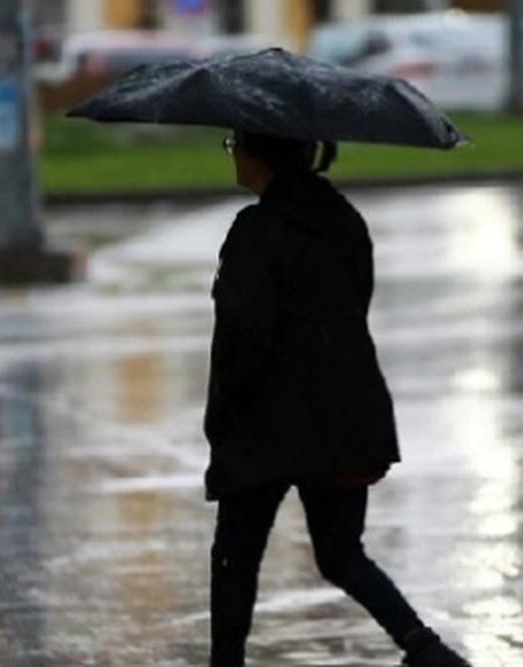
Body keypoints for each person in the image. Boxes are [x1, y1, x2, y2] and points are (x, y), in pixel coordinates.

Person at [204, 130, 472, 667]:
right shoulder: (343, 219)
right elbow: (355, 304)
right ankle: (425, 648)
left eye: (235, 144)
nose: (233, 154)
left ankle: (226, 663)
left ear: (261, 154)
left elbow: (242, 333)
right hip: (344, 415)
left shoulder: (256, 229)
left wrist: (224, 413)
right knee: (342, 553)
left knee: (236, 554)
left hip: (266, 423)